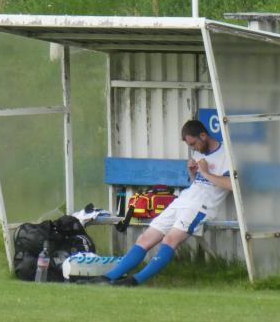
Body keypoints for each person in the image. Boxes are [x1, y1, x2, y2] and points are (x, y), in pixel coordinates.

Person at [94, 120, 232, 286]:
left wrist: (205, 172)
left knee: (169, 240)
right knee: (145, 238)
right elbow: (198, 183)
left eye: (194, 143)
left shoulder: (227, 154)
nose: (194, 148)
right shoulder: (199, 153)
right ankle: (107, 278)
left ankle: (134, 281)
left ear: (203, 135)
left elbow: (231, 185)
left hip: (201, 207)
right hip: (183, 200)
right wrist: (193, 173)